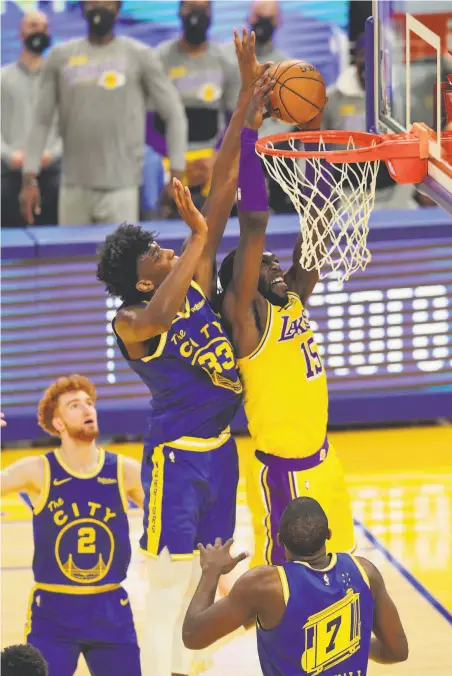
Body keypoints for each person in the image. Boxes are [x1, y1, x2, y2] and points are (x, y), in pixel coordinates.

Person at [96, 29, 270, 676]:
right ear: (142, 277)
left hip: (222, 449)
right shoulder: (133, 319)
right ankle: (158, 668)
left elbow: (222, 182)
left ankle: (190, 666)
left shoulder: (189, 278)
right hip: (177, 457)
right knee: (167, 577)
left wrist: (249, 94)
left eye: (172, 248)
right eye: (159, 254)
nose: (172, 251)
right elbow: (165, 311)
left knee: (211, 565)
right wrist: (196, 236)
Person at [211, 107, 355, 568]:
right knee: (286, 587)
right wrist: (251, 137)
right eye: (264, 264)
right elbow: (253, 226)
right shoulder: (246, 318)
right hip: (286, 475)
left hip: (324, 460)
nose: (275, 266)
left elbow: (318, 224)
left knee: (342, 572)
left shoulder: (290, 300)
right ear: (242, 281)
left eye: (277, 262)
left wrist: (314, 139)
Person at [0, 375, 144, 676]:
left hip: (110, 610)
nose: (87, 409)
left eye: (89, 403)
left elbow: (172, 518)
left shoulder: (124, 470)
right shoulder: (37, 470)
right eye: (75, 405)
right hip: (53, 612)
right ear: (58, 424)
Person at [182, 497, 409, 675]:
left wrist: (211, 573)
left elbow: (193, 636)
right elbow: (397, 651)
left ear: (280, 540)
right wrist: (348, 642)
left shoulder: (264, 586)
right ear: (328, 535)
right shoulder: (365, 572)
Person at [20, 0, 187, 227]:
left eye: (106, 2)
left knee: (120, 262)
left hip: (122, 188)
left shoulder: (140, 55)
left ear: (118, 8)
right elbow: (41, 120)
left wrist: (177, 172)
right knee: (71, 261)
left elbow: (174, 113)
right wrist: (29, 178)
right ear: (82, 7)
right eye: (92, 2)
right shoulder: (60, 57)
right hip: (73, 188)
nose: (98, 6)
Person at [148, 0, 239, 217]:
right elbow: (147, 123)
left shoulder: (226, 62)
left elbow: (234, 121)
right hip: (166, 159)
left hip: (211, 157)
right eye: (189, 7)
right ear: (179, 11)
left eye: (203, 8)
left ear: (211, 13)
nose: (196, 14)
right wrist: (176, 162)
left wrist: (216, 157)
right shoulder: (158, 59)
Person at [1, 10, 60, 227]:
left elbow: (70, 127)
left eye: (44, 28)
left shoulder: (58, 78)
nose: (39, 32)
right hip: (9, 174)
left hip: (50, 174)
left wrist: (50, 154)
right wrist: (9, 155)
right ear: (20, 32)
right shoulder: (3, 78)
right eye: (34, 26)